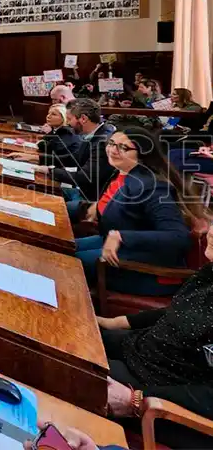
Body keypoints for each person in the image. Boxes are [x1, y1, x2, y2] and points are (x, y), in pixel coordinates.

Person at [96, 224, 213, 449]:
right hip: (144, 352)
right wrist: (115, 322)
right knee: (75, 334)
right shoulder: (209, 273)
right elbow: (179, 311)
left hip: (165, 397)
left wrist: (137, 400)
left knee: (63, 369)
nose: (210, 230)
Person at [74, 127, 201, 295]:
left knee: (71, 264)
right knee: (64, 249)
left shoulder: (153, 187)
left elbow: (179, 236)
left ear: (141, 154)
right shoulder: (126, 174)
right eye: (111, 143)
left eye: (124, 147)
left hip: (148, 266)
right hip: (121, 246)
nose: (113, 150)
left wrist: (121, 236)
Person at [35, 99, 115, 211]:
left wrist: (50, 171)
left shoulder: (103, 142)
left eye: (69, 119)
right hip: (82, 191)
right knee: (38, 192)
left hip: (89, 200)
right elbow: (74, 158)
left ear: (83, 119)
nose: (67, 123)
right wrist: (37, 158)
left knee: (44, 206)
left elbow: (85, 177)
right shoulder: (93, 133)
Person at [9, 104, 81, 168]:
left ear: (64, 118)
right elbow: (43, 142)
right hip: (53, 164)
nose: (48, 116)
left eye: (53, 114)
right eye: (48, 113)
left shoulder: (67, 132)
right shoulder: (56, 129)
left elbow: (47, 147)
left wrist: (34, 156)